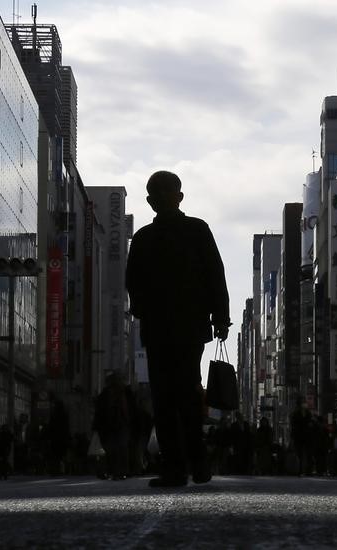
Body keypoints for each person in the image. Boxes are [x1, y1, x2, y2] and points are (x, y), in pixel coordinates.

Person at [126, 170, 231, 488]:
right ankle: (195, 464)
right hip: (188, 325)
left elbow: (134, 284)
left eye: (161, 192)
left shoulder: (146, 237)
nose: (157, 198)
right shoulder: (195, 230)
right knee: (183, 393)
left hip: (162, 328)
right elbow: (215, 273)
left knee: (167, 397)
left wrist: (143, 310)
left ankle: (178, 467)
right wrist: (219, 317)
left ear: (176, 197)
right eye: (154, 193)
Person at [94, 372, 131, 481]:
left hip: (112, 426)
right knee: (119, 449)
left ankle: (115, 471)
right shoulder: (122, 394)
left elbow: (99, 412)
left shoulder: (107, 395)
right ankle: (119, 471)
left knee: (113, 450)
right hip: (116, 426)